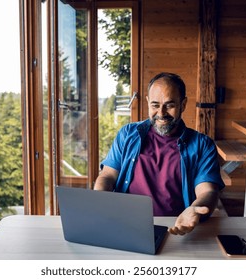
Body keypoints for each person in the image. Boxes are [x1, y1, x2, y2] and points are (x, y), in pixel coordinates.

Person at [94, 72, 225, 235]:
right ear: (148, 102)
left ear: (183, 104)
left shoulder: (202, 145)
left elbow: (208, 191)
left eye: (169, 105)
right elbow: (107, 176)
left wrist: (194, 210)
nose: (161, 113)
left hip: (175, 228)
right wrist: (98, 203)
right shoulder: (127, 134)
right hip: (124, 225)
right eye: (155, 105)